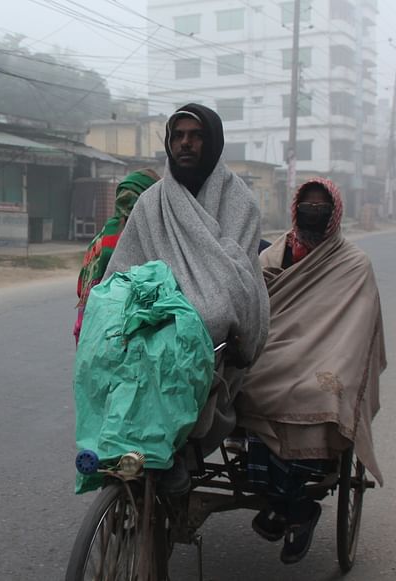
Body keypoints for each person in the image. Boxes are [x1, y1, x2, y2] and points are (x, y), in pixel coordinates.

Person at [103, 103, 270, 493]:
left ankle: (177, 450)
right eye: (178, 136)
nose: (185, 144)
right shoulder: (152, 202)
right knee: (112, 338)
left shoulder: (239, 201)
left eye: (195, 136)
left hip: (218, 325)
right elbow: (124, 269)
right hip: (157, 316)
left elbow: (237, 274)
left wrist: (194, 304)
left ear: (212, 142)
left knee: (205, 323)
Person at [238, 177, 386, 564]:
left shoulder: (354, 265)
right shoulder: (272, 257)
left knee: (321, 394)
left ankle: (294, 503)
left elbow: (356, 331)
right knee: (243, 385)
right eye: (308, 205)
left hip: (328, 358)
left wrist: (334, 365)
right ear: (296, 208)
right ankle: (295, 507)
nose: (313, 212)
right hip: (273, 354)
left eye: (322, 207)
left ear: (334, 212)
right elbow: (253, 308)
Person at [73, 169, 160, 344]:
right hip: (119, 332)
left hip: (87, 325)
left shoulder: (102, 236)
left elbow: (82, 287)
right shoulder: (140, 239)